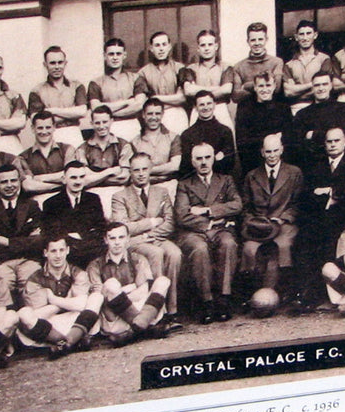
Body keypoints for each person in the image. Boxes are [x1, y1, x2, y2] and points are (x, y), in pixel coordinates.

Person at [295, 125, 345, 309]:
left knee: (333, 237)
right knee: (304, 238)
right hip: (319, 217)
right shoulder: (316, 166)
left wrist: (329, 192)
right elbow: (306, 194)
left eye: (337, 141)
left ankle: (337, 289)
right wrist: (325, 197)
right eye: (329, 141)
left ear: (344, 143)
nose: (333, 145)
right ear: (324, 145)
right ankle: (309, 293)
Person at [175, 141, 242, 323]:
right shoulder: (185, 184)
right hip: (194, 232)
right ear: (192, 161)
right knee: (200, 249)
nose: (204, 162)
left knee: (229, 243)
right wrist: (210, 223)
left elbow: (237, 205)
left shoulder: (225, 180)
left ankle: (223, 299)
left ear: (213, 159)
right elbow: (182, 215)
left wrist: (207, 210)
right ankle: (207, 302)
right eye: (199, 158)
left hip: (221, 230)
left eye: (207, 157)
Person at [110, 152, 183, 317]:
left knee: (175, 253)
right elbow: (123, 228)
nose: (141, 173)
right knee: (156, 253)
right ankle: (158, 311)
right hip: (135, 242)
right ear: (130, 172)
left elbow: (170, 222)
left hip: (158, 238)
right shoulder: (119, 196)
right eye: (136, 170)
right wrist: (150, 223)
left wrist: (152, 234)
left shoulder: (162, 192)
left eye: (144, 169)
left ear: (151, 169)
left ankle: (172, 308)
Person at [239, 132, 304, 301]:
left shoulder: (294, 173)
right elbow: (245, 207)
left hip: (283, 223)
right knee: (249, 249)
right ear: (262, 152)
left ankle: (283, 293)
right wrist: (253, 222)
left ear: (282, 150)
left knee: (282, 245)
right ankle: (253, 295)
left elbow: (297, 204)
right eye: (268, 152)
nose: (272, 155)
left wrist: (282, 218)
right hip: (258, 226)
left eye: (276, 150)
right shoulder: (251, 176)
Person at [16, 234, 104, 357]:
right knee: (24, 313)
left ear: (67, 251)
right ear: (45, 253)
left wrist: (52, 299)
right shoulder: (34, 279)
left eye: (61, 250)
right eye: (53, 251)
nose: (58, 256)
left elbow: (82, 304)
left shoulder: (78, 273)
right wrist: (67, 302)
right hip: (49, 326)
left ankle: (66, 343)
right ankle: (71, 341)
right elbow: (38, 314)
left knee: (96, 298)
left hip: (76, 321)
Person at [87, 221, 175, 344]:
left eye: (121, 237)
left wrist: (119, 296)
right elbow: (101, 299)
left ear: (128, 239)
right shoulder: (95, 265)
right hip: (116, 319)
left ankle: (134, 331)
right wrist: (131, 287)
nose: (117, 242)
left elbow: (143, 292)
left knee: (163, 281)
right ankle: (145, 329)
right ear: (106, 240)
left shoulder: (138, 259)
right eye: (112, 238)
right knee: (111, 284)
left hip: (140, 309)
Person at [0, 163, 45, 309]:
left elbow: (39, 241)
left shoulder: (31, 206)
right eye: (4, 182)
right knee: (2, 287)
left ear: (19, 181)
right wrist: (26, 242)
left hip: (28, 260)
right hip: (0, 263)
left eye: (13, 180)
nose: (9, 185)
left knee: (32, 286)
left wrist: (7, 242)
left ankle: (34, 326)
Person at [40, 160, 107, 267]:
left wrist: (79, 234)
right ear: (64, 179)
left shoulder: (93, 199)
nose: (78, 181)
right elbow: (52, 233)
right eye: (73, 177)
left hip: (92, 250)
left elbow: (101, 227)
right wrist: (84, 234)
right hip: (67, 253)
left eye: (81, 177)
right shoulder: (51, 203)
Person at [289, 68, 345, 169]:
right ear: (312, 88)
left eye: (325, 84)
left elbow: (344, 136)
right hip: (313, 163)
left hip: (339, 162)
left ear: (331, 86)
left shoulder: (342, 108)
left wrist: (313, 135)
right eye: (317, 85)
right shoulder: (303, 114)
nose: (321, 88)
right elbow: (297, 142)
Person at [233, 70, 291, 176]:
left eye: (268, 85)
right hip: (253, 161)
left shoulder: (283, 107)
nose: (265, 90)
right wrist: (273, 137)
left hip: (279, 161)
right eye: (261, 86)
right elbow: (242, 140)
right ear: (255, 87)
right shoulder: (245, 107)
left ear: (274, 86)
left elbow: (288, 137)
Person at [28, 46, 88, 147]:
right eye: (52, 63)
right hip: (50, 136)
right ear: (45, 65)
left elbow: (82, 111)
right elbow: (37, 120)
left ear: (65, 63)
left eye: (60, 62)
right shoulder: (37, 91)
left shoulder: (77, 86)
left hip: (73, 134)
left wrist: (52, 111)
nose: (57, 67)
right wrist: (71, 114)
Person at [133, 31, 189, 133]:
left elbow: (182, 97)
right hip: (154, 117)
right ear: (151, 48)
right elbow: (144, 102)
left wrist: (155, 98)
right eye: (157, 45)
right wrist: (172, 100)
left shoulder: (179, 68)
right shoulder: (143, 73)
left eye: (164, 44)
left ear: (169, 46)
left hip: (177, 115)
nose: (161, 48)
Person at [67, 104, 132, 188]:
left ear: (111, 121)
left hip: (119, 190)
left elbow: (124, 177)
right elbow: (83, 180)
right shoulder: (82, 149)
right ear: (92, 124)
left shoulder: (123, 145)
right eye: (97, 123)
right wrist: (110, 171)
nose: (101, 126)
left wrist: (94, 178)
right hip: (92, 192)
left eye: (105, 122)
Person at [176, 90, 237, 178]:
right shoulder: (187, 134)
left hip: (220, 180)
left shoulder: (225, 131)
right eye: (201, 104)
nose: (206, 107)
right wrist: (216, 158)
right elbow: (186, 165)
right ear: (196, 107)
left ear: (214, 104)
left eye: (209, 103)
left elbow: (230, 163)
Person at [87, 37, 145, 123]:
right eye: (111, 54)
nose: (115, 58)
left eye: (118, 54)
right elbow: (96, 108)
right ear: (104, 56)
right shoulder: (96, 83)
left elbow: (139, 105)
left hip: (132, 125)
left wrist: (107, 111)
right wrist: (127, 102)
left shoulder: (136, 78)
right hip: (108, 126)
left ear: (124, 55)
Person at [226, 22, 285, 105]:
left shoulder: (276, 62)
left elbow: (276, 89)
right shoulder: (239, 66)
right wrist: (265, 86)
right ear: (248, 41)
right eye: (253, 40)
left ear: (266, 40)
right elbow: (236, 96)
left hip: (271, 109)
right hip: (247, 110)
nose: (257, 43)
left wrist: (246, 86)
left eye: (260, 39)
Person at [281, 19, 333, 105]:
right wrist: (313, 84)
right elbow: (289, 92)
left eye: (308, 33)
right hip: (297, 107)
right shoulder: (289, 64)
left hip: (319, 105)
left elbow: (326, 88)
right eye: (301, 34)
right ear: (296, 37)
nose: (305, 38)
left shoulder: (324, 59)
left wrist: (297, 90)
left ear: (315, 35)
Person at [18, 110, 68, 195]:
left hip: (64, 199)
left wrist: (39, 178)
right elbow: (28, 186)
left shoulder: (66, 149)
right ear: (33, 129)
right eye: (40, 128)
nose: (44, 132)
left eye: (48, 127)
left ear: (54, 127)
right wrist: (61, 184)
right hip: (39, 200)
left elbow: (71, 174)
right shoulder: (23, 157)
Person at [179, 29, 233, 108]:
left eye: (210, 44)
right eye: (203, 45)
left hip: (220, 107)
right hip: (198, 108)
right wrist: (216, 88)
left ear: (216, 46)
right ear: (198, 48)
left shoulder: (226, 67)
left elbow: (226, 90)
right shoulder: (190, 69)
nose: (206, 48)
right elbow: (189, 91)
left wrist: (198, 90)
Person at [132, 97, 182, 180]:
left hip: (169, 184)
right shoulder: (135, 142)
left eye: (157, 113)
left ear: (162, 114)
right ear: (143, 115)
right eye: (150, 114)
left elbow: (175, 166)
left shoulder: (173, 137)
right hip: (145, 186)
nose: (154, 117)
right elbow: (134, 170)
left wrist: (146, 170)